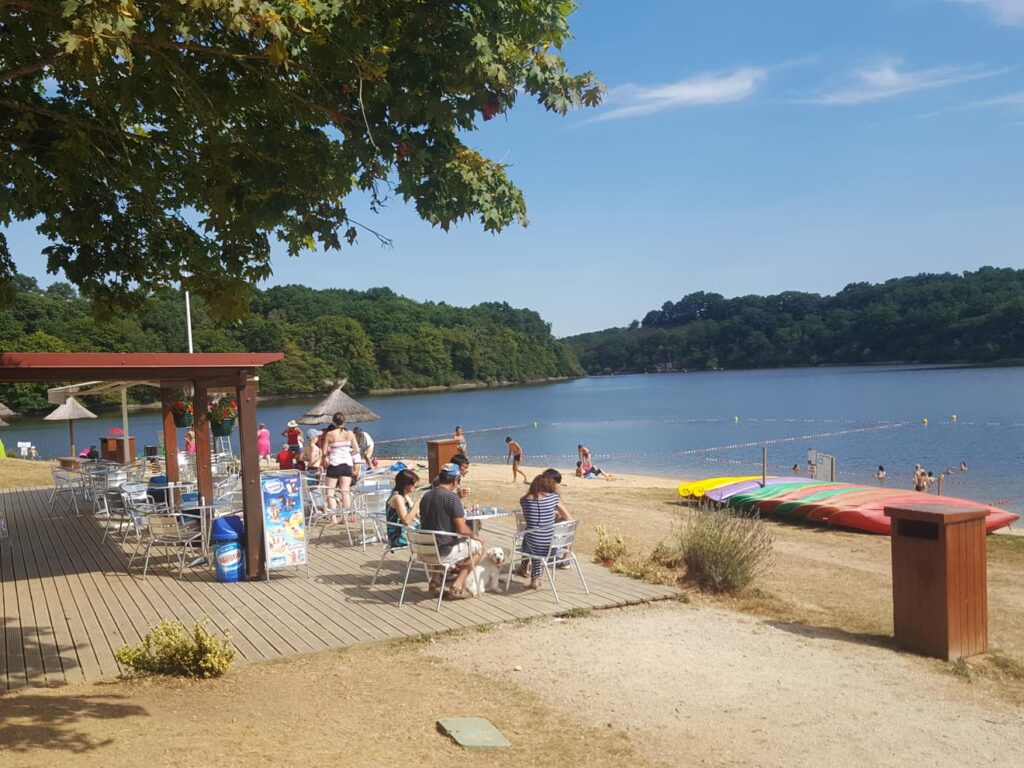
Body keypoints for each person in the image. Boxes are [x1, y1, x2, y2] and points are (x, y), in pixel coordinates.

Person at [418, 463, 482, 598]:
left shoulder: (426, 496)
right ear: (456, 480)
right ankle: (458, 584)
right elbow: (462, 528)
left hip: (424, 550)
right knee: (479, 547)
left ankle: (435, 580)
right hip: (442, 552)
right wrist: (474, 536)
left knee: (440, 539)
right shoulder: (451, 498)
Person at [517, 473, 572, 589]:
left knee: (531, 535)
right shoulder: (554, 498)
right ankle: (535, 577)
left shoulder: (524, 500)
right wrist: (555, 518)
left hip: (534, 545)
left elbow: (529, 520)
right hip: (551, 547)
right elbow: (568, 518)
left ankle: (525, 570)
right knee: (536, 536)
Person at [319, 412, 359, 510]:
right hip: (347, 464)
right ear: (344, 421)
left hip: (334, 464)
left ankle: (333, 517)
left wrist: (326, 457)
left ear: (333, 422)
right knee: (345, 491)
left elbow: (324, 452)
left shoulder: (330, 434)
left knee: (330, 492)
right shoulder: (350, 434)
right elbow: (357, 450)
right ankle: (345, 517)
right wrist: (350, 454)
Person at [385, 469, 420, 548]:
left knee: (432, 529)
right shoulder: (397, 498)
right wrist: (416, 505)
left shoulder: (404, 496)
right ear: (406, 484)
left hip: (404, 531)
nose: (415, 487)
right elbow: (406, 521)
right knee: (432, 535)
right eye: (414, 485)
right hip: (398, 537)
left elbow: (418, 515)